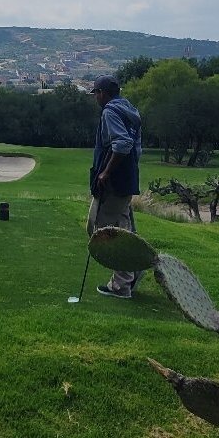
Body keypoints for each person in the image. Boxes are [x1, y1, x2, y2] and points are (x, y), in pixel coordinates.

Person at [88, 75, 143, 298]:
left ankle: (121, 285)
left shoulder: (110, 111)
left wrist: (106, 172)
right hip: (128, 178)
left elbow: (122, 144)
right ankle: (134, 272)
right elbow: (136, 148)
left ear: (103, 93)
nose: (96, 98)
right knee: (124, 227)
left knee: (102, 228)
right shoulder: (130, 110)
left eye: (96, 93)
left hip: (114, 181)